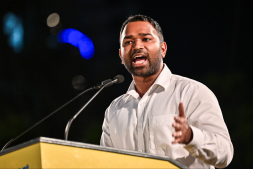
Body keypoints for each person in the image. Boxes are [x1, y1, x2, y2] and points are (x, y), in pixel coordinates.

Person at [100, 14, 233, 168]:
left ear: (163, 49)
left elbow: (225, 154)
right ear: (121, 56)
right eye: (128, 42)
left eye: (146, 39)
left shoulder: (192, 93)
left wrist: (191, 137)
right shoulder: (114, 110)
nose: (137, 46)